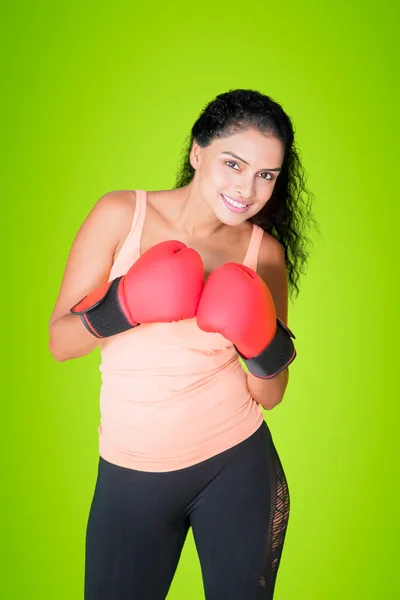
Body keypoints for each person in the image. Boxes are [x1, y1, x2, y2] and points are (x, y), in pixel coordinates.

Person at [49, 88, 317, 600]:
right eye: (233, 164)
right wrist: (121, 306)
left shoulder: (264, 254)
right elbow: (60, 341)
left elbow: (273, 392)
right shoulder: (122, 215)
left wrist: (259, 342)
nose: (248, 189)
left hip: (236, 467)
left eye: (266, 175)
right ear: (197, 152)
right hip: (130, 473)